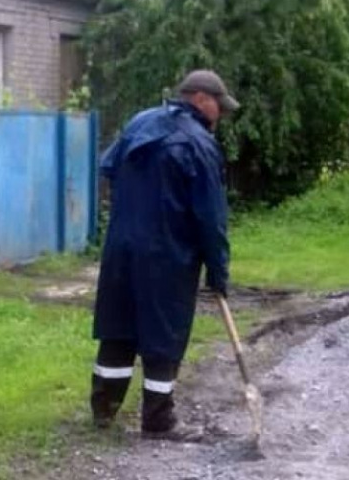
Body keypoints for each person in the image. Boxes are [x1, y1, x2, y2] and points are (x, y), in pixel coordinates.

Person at [90, 70, 239, 438]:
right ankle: (158, 420)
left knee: (118, 327)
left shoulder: (141, 122)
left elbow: (107, 167)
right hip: (167, 255)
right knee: (164, 334)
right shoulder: (199, 144)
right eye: (220, 106)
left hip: (121, 247)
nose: (219, 115)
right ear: (203, 99)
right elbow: (211, 217)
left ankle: (104, 411)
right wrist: (218, 272)